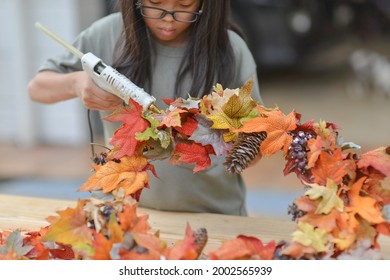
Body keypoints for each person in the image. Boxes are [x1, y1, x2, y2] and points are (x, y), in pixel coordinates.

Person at [28, 0, 262, 216]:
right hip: (121, 211)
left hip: (211, 214)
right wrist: (76, 83)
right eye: (155, 3)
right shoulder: (107, 34)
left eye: (184, 5)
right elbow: (37, 88)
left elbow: (257, 138)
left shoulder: (231, 50)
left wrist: (235, 148)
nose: (168, 18)